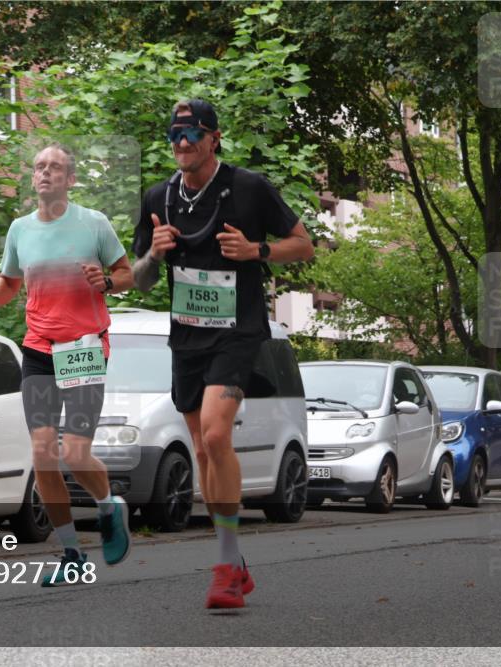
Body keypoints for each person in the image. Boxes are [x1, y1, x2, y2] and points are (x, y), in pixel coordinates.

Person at [132, 100, 314, 608]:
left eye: (193, 133)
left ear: (214, 139)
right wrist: (155, 253)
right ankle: (232, 562)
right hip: (186, 338)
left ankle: (226, 564)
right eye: (175, 134)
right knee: (204, 447)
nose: (182, 142)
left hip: (238, 333)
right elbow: (140, 281)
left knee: (215, 431)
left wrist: (257, 252)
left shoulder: (249, 188)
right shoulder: (158, 198)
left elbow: (304, 245)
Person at [0, 143, 134, 586]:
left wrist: (108, 282)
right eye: (39, 166)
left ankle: (109, 506)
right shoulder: (20, 229)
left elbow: (126, 275)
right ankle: (72, 553)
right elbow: (8, 285)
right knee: (42, 454)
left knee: (75, 454)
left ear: (70, 179)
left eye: (55, 167)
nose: (45, 173)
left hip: (82, 347)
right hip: (39, 349)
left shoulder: (94, 224)